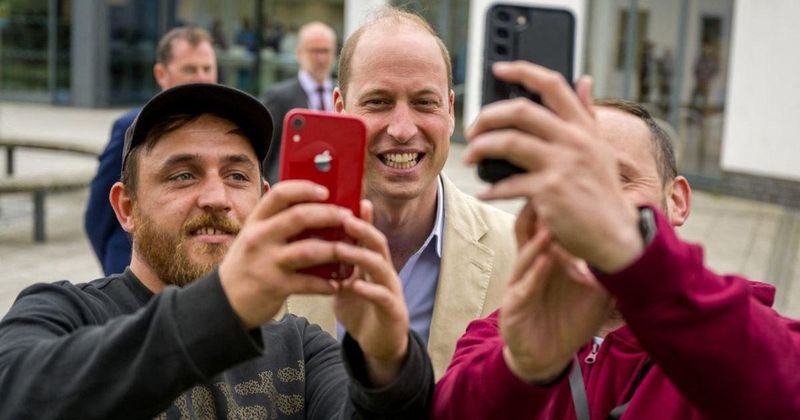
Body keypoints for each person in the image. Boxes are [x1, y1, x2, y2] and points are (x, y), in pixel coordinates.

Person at [0, 83, 433, 418]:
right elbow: (16, 394)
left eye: (237, 176)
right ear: (126, 208)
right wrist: (224, 307)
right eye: (183, 175)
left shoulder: (300, 347)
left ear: (264, 198)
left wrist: (388, 363)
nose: (216, 197)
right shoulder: (64, 312)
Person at [432, 61, 800, 419]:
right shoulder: (501, 336)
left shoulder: (742, 332)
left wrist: (640, 259)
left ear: (677, 201)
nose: (593, 202)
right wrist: (520, 368)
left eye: (618, 179)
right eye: (577, 179)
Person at [286, 8, 516, 379]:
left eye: (425, 102)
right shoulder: (276, 247)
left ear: (451, 111)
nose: (403, 129)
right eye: (378, 101)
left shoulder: (518, 253)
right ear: (340, 109)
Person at [85, 26, 218, 276]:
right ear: (161, 74)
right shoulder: (132, 128)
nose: (202, 78)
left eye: (207, 69)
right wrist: (115, 272)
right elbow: (97, 215)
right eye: (190, 69)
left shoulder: (223, 133)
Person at [262, 21, 338, 184]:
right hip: (290, 184)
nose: (321, 58)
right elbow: (266, 151)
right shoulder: (279, 96)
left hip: (332, 181)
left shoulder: (342, 93)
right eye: (314, 51)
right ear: (299, 53)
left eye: (326, 51)